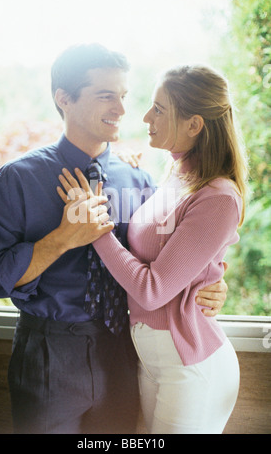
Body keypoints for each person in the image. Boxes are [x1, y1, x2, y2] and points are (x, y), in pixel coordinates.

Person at [0, 44, 228, 434]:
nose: (123, 110)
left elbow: (173, 257)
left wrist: (211, 281)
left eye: (123, 95)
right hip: (47, 354)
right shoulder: (17, 180)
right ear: (64, 99)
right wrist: (61, 239)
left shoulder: (140, 181)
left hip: (123, 353)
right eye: (106, 95)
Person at [57, 64, 248, 434]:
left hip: (190, 364)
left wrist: (96, 229)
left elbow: (153, 288)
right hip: (154, 360)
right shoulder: (176, 175)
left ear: (194, 125)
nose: (145, 117)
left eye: (159, 109)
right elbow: (173, 252)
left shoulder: (219, 197)